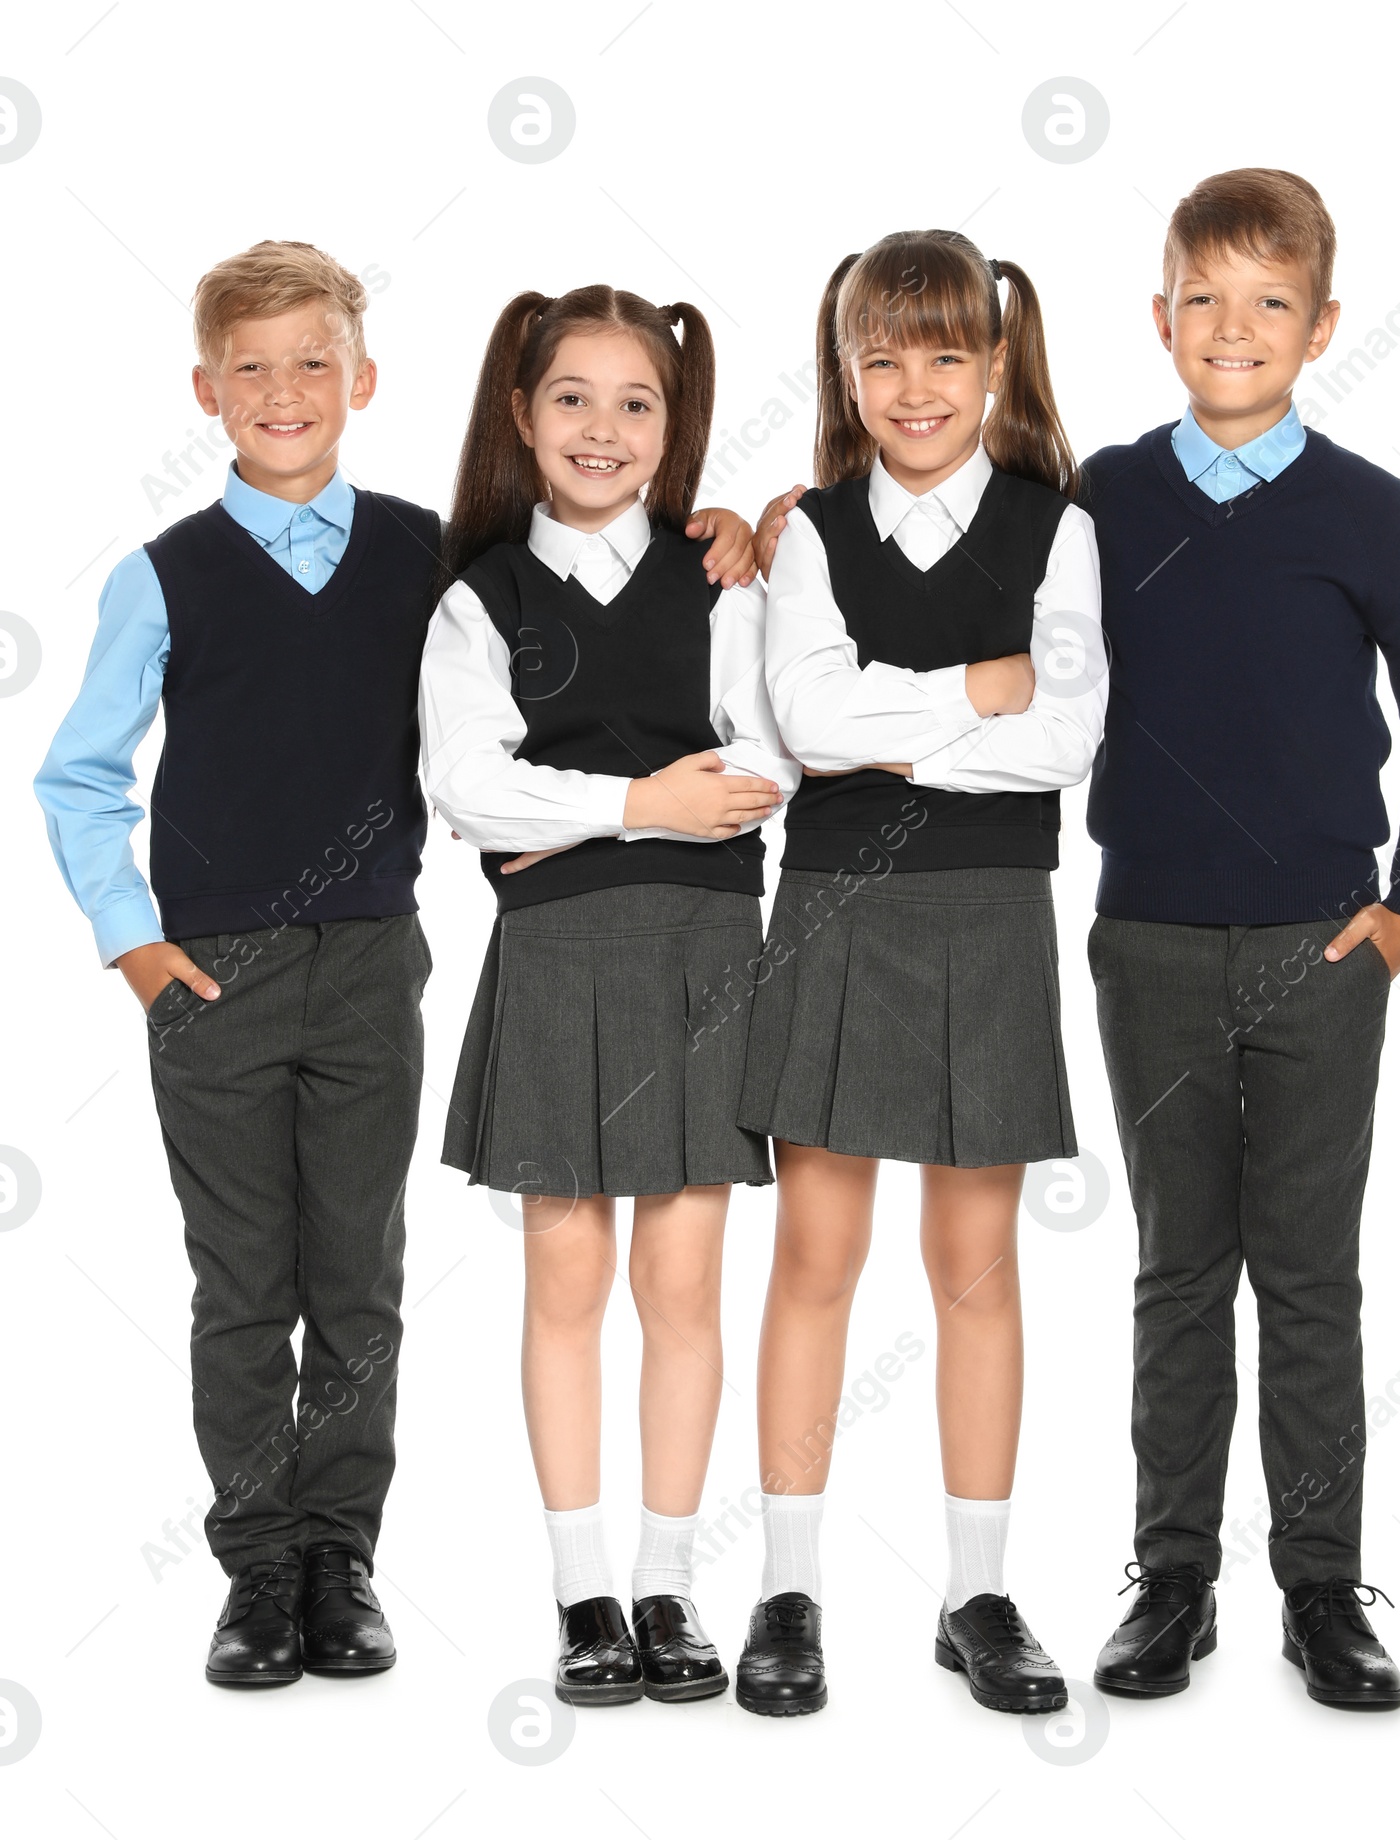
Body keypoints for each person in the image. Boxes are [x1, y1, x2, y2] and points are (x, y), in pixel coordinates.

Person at [35, 244, 757, 1692]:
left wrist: (734, 521)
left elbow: (541, 642)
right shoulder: (163, 574)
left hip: (374, 960)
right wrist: (135, 942)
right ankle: (257, 1563)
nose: (284, 391)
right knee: (243, 1281)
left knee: (359, 1275)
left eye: (314, 363)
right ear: (205, 392)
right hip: (214, 974)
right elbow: (81, 775)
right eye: (251, 368)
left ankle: (341, 1556)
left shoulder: (430, 560)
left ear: (363, 382)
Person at [1078, 169, 1400, 1708]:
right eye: (1204, 297)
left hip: (1326, 951)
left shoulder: (1366, 511)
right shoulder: (1104, 494)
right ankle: (1170, 1575)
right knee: (1179, 1266)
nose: (1232, 328)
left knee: (1309, 1272)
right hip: (1151, 944)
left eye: (1269, 302)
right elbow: (965, 569)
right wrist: (771, 517)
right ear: (1163, 315)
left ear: (1320, 327)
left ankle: (1322, 1587)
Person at [736, 229, 1105, 1716]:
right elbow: (809, 724)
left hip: (992, 914)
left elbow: (1065, 739)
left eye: (946, 352)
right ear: (845, 370)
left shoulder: (1053, 526)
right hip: (833, 906)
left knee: (975, 1270)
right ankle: (789, 1583)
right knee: (816, 1262)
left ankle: (977, 1591)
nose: (913, 384)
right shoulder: (810, 530)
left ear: (997, 364)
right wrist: (972, 692)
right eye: (881, 355)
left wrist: (898, 725)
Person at [420, 285, 796, 1706]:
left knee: (684, 1284)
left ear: (674, 424)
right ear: (521, 416)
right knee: (566, 1279)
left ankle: (668, 1582)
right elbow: (464, 788)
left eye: (637, 401)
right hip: (559, 953)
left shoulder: (722, 575)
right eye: (571, 396)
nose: (602, 427)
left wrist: (566, 808)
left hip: (707, 951)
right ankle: (582, 1593)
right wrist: (647, 795)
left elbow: (761, 767)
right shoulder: (481, 596)